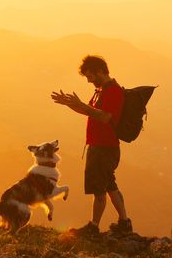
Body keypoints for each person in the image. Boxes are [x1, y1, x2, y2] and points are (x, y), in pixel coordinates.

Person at [50, 55, 132, 235]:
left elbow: (105, 117)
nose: (89, 81)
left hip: (104, 147)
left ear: (101, 71)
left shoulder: (113, 91)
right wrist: (70, 104)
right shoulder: (101, 90)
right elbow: (88, 111)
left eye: (91, 76)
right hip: (101, 146)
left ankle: (93, 227)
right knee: (110, 185)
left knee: (99, 189)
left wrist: (80, 105)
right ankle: (124, 222)